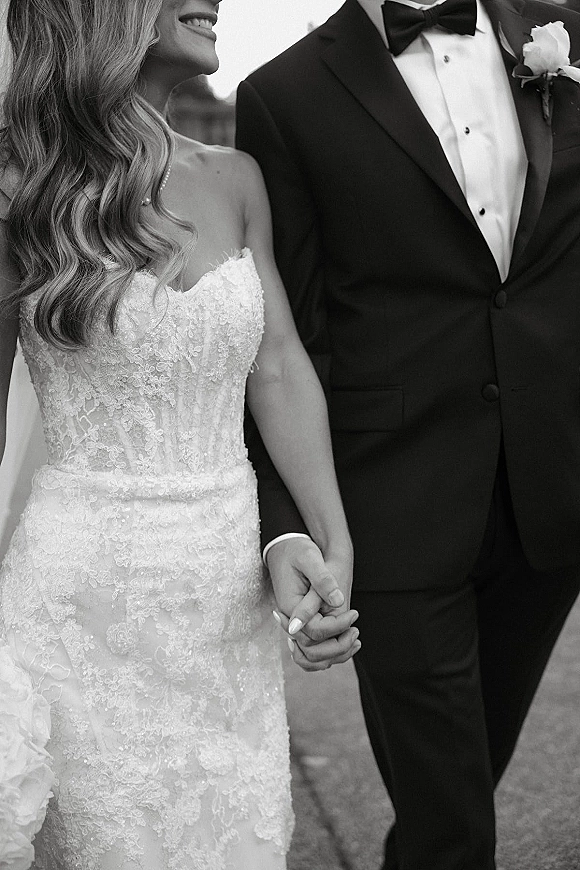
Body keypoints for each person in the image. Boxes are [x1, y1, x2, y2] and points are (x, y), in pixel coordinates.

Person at [0, 1, 361, 868]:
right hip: (80, 604)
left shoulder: (236, 175)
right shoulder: (20, 183)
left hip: (224, 602)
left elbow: (276, 363)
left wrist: (331, 538)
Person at [235, 0, 580, 867]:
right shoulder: (283, 95)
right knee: (451, 822)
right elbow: (281, 334)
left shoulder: (556, 35)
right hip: (388, 505)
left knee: (461, 786)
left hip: (551, 493)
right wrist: (285, 520)